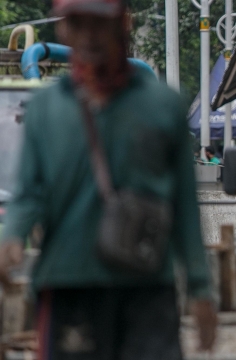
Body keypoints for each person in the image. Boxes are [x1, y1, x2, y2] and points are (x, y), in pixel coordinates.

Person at [0, 0, 216, 359]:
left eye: (98, 23)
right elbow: (29, 193)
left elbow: (184, 208)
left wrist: (201, 288)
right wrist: (12, 237)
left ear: (123, 24)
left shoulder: (163, 106)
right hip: (69, 282)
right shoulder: (44, 109)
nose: (88, 36)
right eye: (76, 23)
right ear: (63, 29)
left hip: (147, 284)